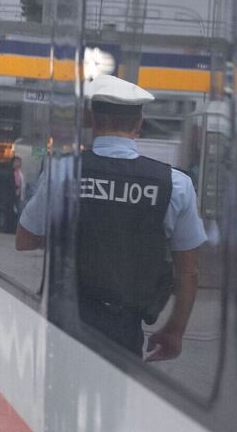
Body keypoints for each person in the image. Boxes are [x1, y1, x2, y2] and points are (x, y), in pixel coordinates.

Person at [16, 74, 206, 360]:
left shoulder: (63, 172)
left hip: (64, 321)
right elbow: (188, 273)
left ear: (92, 120)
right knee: (113, 401)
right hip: (123, 328)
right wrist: (175, 331)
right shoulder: (175, 184)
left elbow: (25, 239)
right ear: (139, 122)